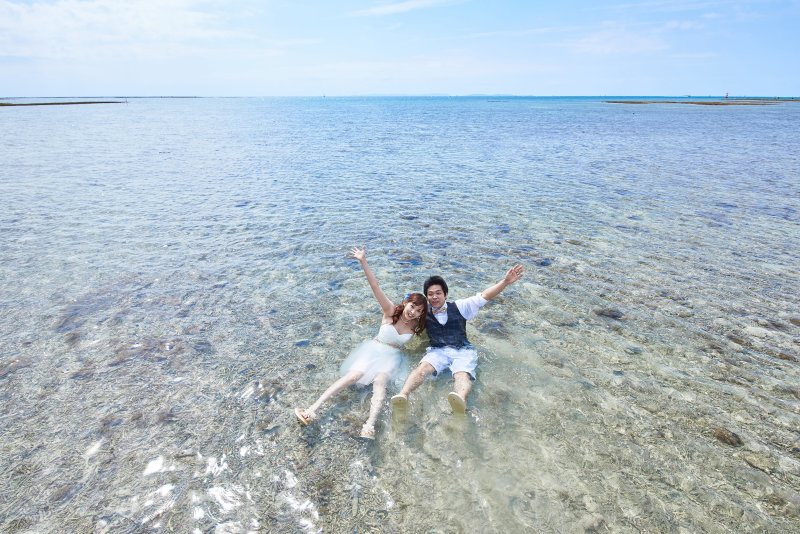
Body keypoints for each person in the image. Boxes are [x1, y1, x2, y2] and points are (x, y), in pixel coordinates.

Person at [294, 247, 428, 439]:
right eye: (412, 306)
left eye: (418, 311)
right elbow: (375, 286)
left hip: (392, 357)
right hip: (373, 350)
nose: (413, 312)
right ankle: (313, 409)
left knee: (380, 382)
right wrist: (363, 261)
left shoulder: (417, 325)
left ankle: (369, 425)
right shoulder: (390, 311)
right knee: (353, 376)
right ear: (406, 303)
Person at [391, 265, 524, 414]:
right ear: (426, 297)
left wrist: (505, 282)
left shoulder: (460, 306)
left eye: (438, 293)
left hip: (462, 350)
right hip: (438, 350)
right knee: (422, 369)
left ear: (445, 294)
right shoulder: (422, 312)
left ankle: (459, 399)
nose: (434, 297)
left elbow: (485, 296)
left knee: (461, 374)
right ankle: (403, 395)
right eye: (430, 294)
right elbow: (404, 312)